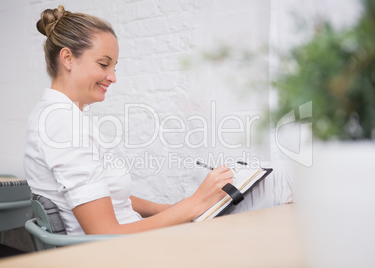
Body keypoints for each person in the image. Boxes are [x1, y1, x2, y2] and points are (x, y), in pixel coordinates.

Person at [24, 6, 293, 235]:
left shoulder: (60, 116)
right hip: (125, 253)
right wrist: (194, 204)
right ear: (68, 58)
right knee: (286, 185)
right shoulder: (62, 124)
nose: (113, 77)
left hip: (135, 242)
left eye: (114, 67)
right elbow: (104, 232)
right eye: (104, 64)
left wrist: (171, 208)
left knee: (280, 183)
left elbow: (103, 197)